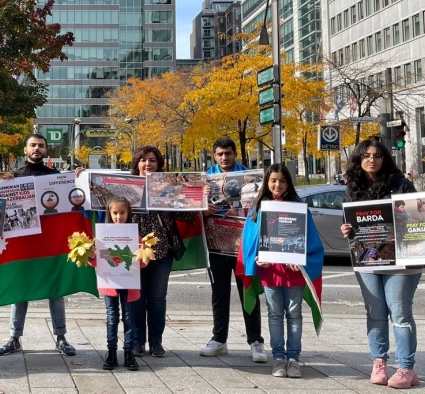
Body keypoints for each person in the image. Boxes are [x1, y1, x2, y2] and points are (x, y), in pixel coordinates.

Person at [339, 139, 425, 389]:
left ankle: (406, 368)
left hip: (402, 261)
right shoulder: (353, 185)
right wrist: (346, 228)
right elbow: (352, 221)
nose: (371, 160)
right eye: (366, 156)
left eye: (377, 156)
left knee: (399, 313)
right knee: (375, 314)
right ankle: (379, 362)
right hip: (367, 258)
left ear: (385, 158)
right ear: (359, 159)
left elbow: (424, 215)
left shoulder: (401, 184)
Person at [0, 133, 77, 357]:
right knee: (19, 291)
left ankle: (61, 337)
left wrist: (79, 177)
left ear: (46, 150)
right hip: (24, 244)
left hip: (50, 244)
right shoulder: (14, 177)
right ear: (25, 150)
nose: (36, 149)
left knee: (56, 291)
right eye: (32, 145)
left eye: (41, 146)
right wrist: (4, 185)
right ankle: (14, 338)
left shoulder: (57, 176)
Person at [240, 165, 324, 379]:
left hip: (294, 271)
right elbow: (249, 243)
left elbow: (312, 240)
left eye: (283, 181)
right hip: (269, 270)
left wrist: (302, 259)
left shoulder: (299, 208)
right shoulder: (258, 209)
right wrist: (257, 258)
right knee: (275, 315)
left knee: (294, 315)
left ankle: (293, 359)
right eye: (273, 180)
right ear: (267, 182)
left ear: (289, 183)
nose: (278, 185)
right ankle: (278, 358)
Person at [201, 136, 267, 362]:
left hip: (243, 245)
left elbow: (261, 209)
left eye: (228, 153)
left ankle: (256, 341)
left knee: (248, 291)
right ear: (214, 155)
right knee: (219, 294)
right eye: (219, 154)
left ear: (235, 154)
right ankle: (219, 339)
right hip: (216, 244)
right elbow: (191, 211)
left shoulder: (250, 178)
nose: (224, 157)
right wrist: (203, 210)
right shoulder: (204, 180)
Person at [128, 146, 198, 358]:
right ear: (136, 164)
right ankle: (138, 342)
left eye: (152, 160)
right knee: (137, 299)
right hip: (134, 252)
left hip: (161, 252)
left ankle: (156, 342)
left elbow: (186, 218)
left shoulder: (168, 187)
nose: (147, 164)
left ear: (159, 165)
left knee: (158, 299)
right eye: (143, 160)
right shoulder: (126, 187)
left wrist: (196, 198)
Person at [98, 197, 141, 371]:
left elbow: (143, 263)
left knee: (129, 319)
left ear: (128, 213)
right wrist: (94, 256)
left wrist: (142, 255)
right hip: (110, 284)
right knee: (112, 318)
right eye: (115, 213)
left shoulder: (135, 234)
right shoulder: (102, 235)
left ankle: (129, 352)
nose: (118, 217)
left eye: (122, 213)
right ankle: (112, 352)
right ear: (109, 213)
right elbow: (97, 261)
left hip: (129, 285)